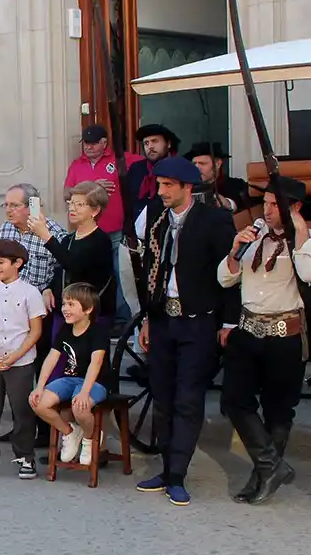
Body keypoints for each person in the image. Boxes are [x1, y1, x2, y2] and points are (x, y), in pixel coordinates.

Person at [132, 156, 238, 506]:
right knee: (162, 395)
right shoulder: (157, 222)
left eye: (167, 186)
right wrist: (148, 317)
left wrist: (228, 321)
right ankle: (165, 468)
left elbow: (229, 276)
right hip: (164, 319)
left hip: (198, 320)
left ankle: (178, 474)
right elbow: (150, 272)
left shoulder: (214, 220)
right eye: (159, 185)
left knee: (188, 398)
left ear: (187, 188)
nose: (160, 191)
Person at [217, 176, 310, 505]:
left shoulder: (304, 242)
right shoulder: (254, 236)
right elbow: (226, 278)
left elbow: (308, 274)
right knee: (234, 400)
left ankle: (262, 477)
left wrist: (300, 235)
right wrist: (235, 249)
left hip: (284, 335)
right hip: (247, 331)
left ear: (295, 208)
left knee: (278, 409)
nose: (267, 211)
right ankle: (271, 465)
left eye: (275, 205)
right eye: (266, 203)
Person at [0, 239, 46, 480]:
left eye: (1, 262)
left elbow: (35, 330)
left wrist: (13, 356)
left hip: (20, 360)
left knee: (22, 409)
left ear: (18, 263)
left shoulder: (30, 292)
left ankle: (26, 456)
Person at [0, 183, 66, 446]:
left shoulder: (52, 232)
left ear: (32, 206)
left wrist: (49, 288)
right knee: (15, 373)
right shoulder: (5, 231)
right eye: (6, 205)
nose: (9, 210)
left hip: (39, 313)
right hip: (9, 311)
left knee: (40, 369)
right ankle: (21, 429)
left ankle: (46, 431)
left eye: (14, 205)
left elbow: (63, 269)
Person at [64, 125, 142, 324]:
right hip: (86, 232)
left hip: (115, 229)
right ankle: (92, 315)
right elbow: (66, 193)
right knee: (89, 275)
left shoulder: (119, 159)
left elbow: (147, 165)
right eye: (86, 143)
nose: (88, 147)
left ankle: (123, 319)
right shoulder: (76, 165)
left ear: (104, 143)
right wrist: (93, 185)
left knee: (120, 272)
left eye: (93, 143)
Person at [30, 283, 110, 465]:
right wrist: (40, 387)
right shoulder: (65, 329)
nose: (65, 309)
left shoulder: (97, 332)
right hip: (69, 379)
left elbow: (96, 363)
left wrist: (84, 392)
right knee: (37, 403)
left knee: (79, 407)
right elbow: (52, 357)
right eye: (64, 304)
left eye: (71, 304)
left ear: (88, 309)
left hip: (94, 382)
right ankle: (70, 432)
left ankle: (89, 438)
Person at [28, 180, 116, 343]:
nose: (72, 208)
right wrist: (48, 289)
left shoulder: (101, 240)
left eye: (80, 204)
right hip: (66, 311)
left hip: (90, 314)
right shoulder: (68, 238)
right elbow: (61, 269)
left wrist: (46, 236)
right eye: (71, 203)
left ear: (95, 210)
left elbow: (75, 265)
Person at [123, 123, 179, 220]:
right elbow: (128, 200)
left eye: (155, 141)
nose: (150, 147)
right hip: (138, 228)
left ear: (168, 144)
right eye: (146, 143)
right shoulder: (136, 168)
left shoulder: (179, 168)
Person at [185, 142, 252, 213]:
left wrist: (228, 204)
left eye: (202, 163)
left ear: (217, 164)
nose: (197, 168)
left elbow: (247, 205)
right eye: (194, 164)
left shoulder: (236, 185)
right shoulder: (187, 187)